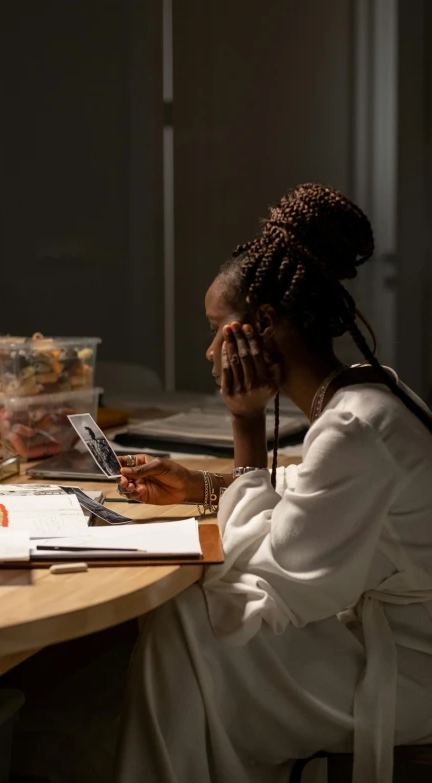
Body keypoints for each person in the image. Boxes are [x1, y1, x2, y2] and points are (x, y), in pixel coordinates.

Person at [113, 184, 432, 783]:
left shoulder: (355, 426)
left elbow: (272, 584)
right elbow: (312, 504)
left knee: (186, 621)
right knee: (193, 627)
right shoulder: (369, 392)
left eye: (218, 330)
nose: (211, 351)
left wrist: (246, 422)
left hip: (415, 671)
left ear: (262, 324)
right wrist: (202, 490)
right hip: (405, 639)